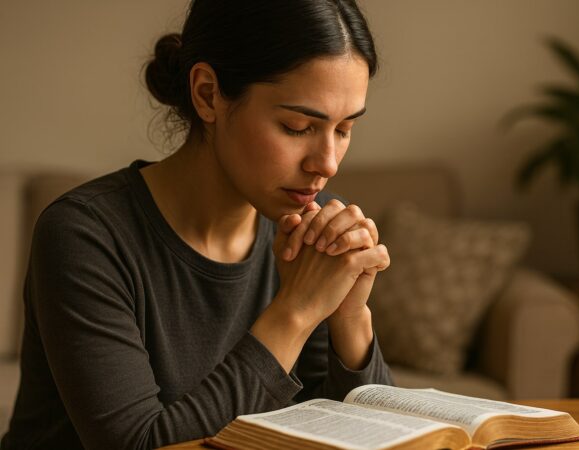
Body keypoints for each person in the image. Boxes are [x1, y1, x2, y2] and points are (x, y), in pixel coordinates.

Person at [0, 1, 393, 449]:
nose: (327, 164)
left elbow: (372, 432)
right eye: (298, 126)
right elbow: (140, 445)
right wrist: (296, 311)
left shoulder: (306, 228)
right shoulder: (84, 236)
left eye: (344, 129)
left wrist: (349, 316)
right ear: (208, 94)